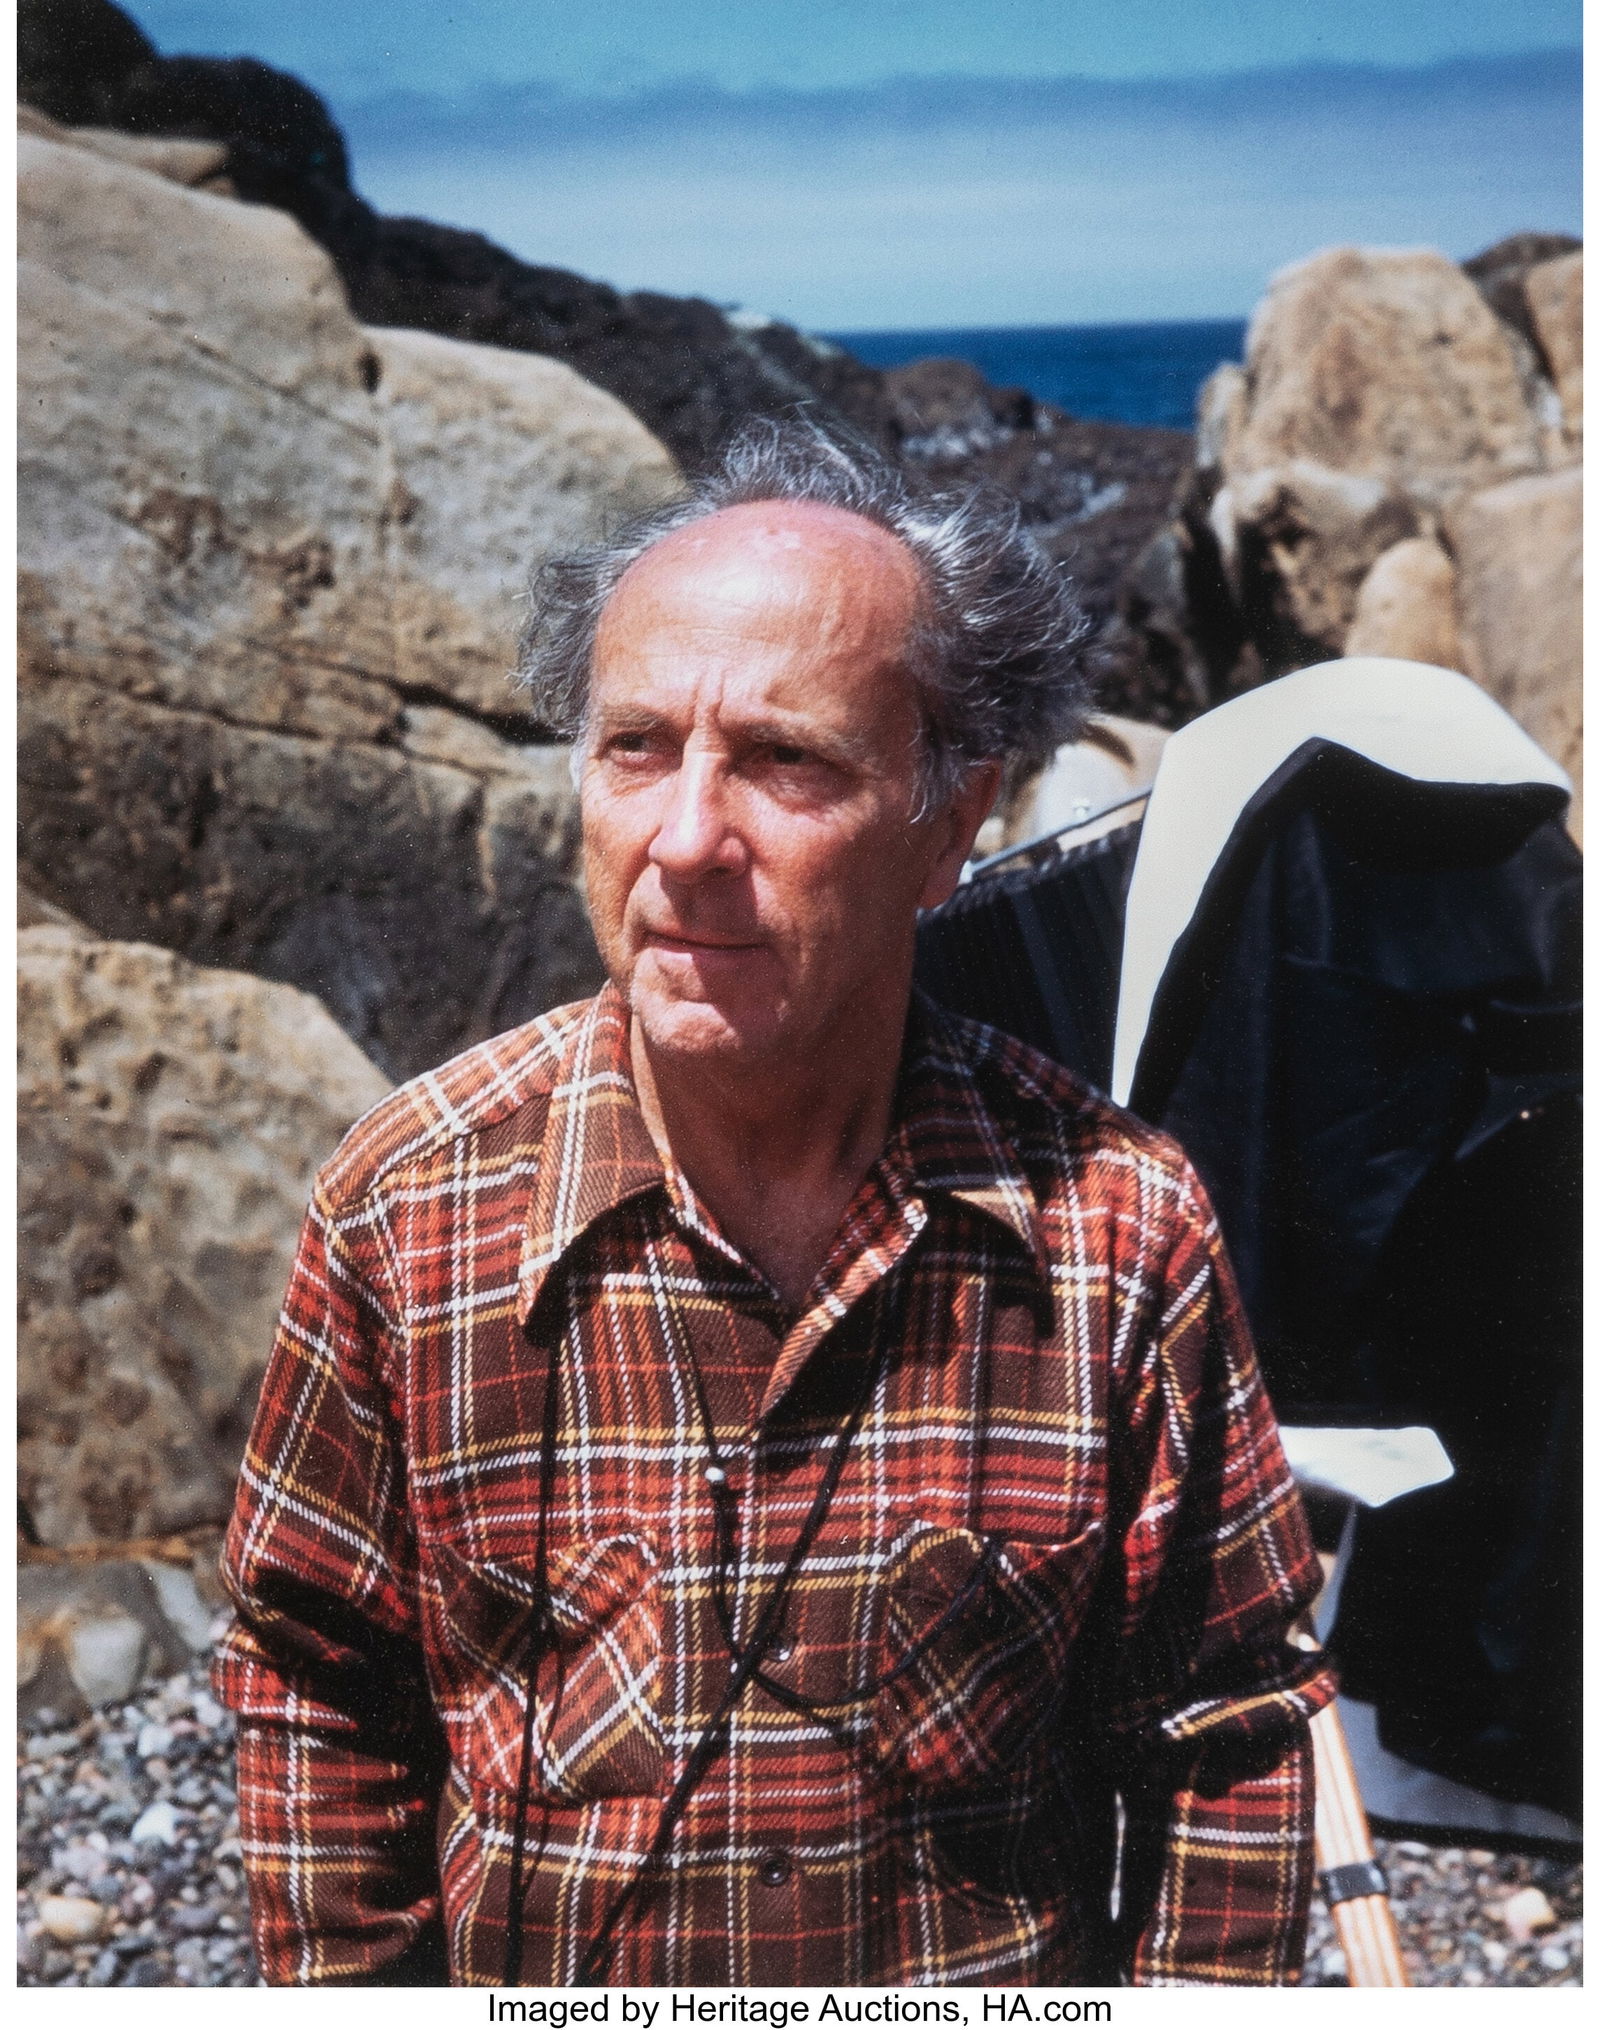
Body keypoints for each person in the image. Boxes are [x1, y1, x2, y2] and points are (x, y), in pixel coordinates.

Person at [215, 423, 1333, 1988]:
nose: (684, 841)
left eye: (785, 759)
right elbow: (316, 1680)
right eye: (635, 747)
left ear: (952, 825)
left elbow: (1227, 1720)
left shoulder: (1117, 1232)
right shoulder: (405, 1213)